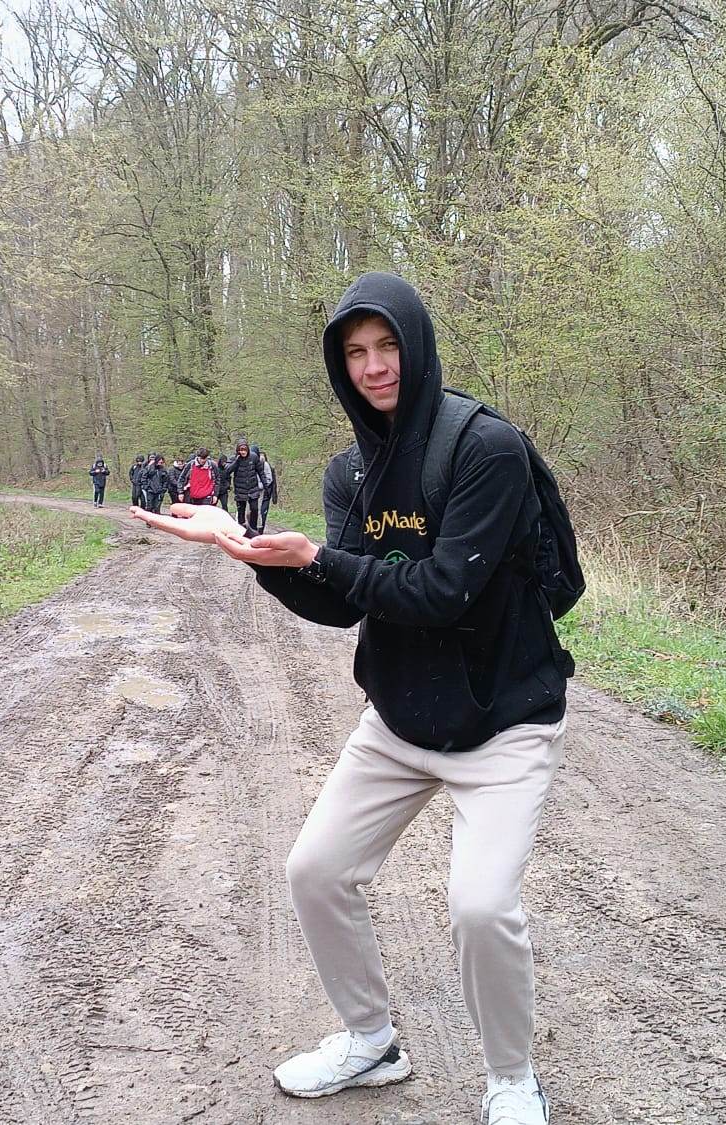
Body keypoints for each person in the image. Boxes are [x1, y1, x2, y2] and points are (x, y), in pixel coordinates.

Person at [131, 272, 573, 1125]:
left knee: (481, 905)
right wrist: (247, 549)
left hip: (505, 720)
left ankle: (512, 1080)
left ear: (418, 344)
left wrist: (317, 558)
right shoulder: (351, 472)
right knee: (315, 870)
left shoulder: (487, 450)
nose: (374, 366)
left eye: (388, 345)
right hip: (402, 718)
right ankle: (371, 1041)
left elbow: (444, 590)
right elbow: (343, 601)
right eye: (356, 352)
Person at [228, 439, 265, 532]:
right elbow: (227, 471)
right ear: (238, 450)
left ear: (248, 449)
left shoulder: (254, 457)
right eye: (241, 450)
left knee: (254, 509)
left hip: (253, 488)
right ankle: (241, 529)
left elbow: (261, 472)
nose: (243, 452)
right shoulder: (234, 458)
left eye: (245, 450)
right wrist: (236, 461)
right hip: (240, 490)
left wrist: (266, 485)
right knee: (241, 511)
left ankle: (253, 529)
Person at [256, 449, 278, 531]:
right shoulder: (254, 466)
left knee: (263, 512)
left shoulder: (270, 468)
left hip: (266, 494)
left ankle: (260, 529)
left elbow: (273, 483)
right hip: (256, 493)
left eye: (263, 457)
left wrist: (274, 496)